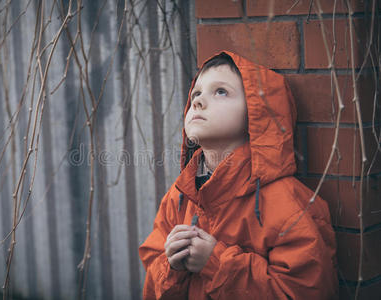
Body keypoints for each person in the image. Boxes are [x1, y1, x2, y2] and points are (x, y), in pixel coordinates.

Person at [138, 50, 338, 299]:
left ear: (256, 114)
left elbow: (305, 292)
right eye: (196, 93)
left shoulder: (290, 205)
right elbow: (152, 287)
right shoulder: (179, 197)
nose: (197, 102)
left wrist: (215, 263)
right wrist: (171, 267)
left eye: (220, 91)